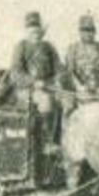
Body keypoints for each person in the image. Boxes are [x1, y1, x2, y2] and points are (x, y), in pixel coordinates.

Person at [7, 10, 62, 145]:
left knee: (67, 102)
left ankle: (63, 141)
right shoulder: (21, 47)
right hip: (25, 91)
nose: (35, 33)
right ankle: (46, 142)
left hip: (49, 87)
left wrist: (57, 81)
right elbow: (15, 73)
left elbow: (59, 68)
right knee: (46, 101)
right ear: (26, 31)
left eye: (37, 30)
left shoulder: (48, 47)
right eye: (32, 31)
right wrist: (34, 82)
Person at [60, 13, 99, 107]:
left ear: (95, 32)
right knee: (68, 106)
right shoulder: (73, 49)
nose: (88, 33)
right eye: (85, 30)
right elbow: (69, 72)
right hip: (80, 90)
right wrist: (80, 87)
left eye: (91, 30)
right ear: (80, 32)